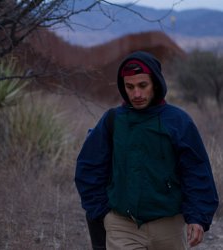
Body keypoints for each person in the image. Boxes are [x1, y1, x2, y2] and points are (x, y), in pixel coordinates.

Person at [75, 51, 219, 250]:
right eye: (130, 87)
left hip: (170, 226)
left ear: (156, 83)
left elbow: (196, 171)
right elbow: (89, 167)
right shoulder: (112, 121)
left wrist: (198, 217)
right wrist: (102, 213)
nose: (136, 94)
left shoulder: (178, 121)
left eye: (143, 85)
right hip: (122, 226)